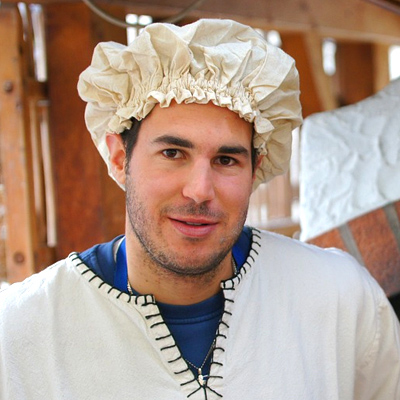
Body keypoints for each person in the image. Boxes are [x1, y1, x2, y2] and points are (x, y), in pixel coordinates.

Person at [0, 18, 399, 400]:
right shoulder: (22, 332)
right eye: (173, 153)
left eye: (226, 160)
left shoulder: (340, 300)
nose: (199, 191)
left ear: (256, 169)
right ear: (120, 158)